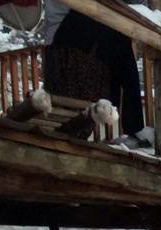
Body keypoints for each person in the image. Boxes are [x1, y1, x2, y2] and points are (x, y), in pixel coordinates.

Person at [44, 0, 149, 146]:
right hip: (65, 48)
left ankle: (132, 125)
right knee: (118, 31)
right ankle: (133, 126)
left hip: (75, 48)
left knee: (119, 34)